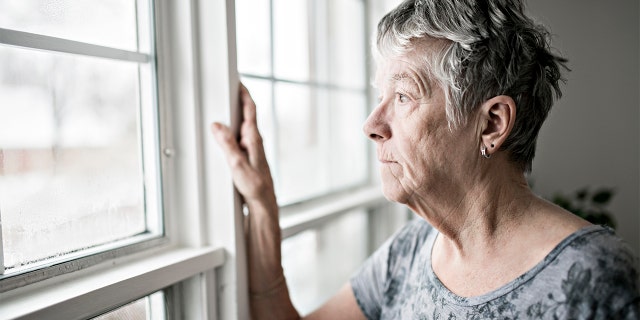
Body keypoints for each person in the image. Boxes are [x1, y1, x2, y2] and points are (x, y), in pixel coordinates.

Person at [211, 0, 640, 318]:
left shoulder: (591, 277)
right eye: (380, 96)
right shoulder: (411, 251)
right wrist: (263, 209)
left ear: (491, 124)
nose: (372, 124)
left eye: (403, 95)